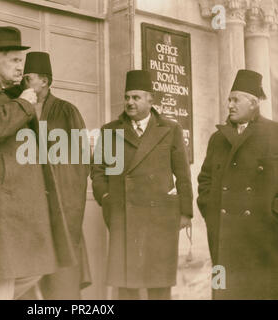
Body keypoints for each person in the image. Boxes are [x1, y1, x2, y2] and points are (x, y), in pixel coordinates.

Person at [0, 26, 75, 300]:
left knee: (33, 268)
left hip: (17, 210)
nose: (21, 67)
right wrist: (24, 103)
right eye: (15, 60)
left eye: (21, 61)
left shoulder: (5, 95)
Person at [91, 70, 193, 300]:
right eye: (127, 97)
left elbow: (182, 173)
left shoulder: (170, 128)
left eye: (136, 97)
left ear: (150, 99)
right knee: (126, 285)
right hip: (123, 215)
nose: (130, 102)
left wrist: (185, 212)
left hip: (160, 218)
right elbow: (98, 171)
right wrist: (106, 198)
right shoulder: (110, 130)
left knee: (159, 283)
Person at [197, 69, 278, 299]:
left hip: (264, 236)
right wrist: (211, 210)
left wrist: (273, 214)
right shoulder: (218, 138)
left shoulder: (275, 133)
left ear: (253, 103)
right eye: (229, 100)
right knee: (225, 291)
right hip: (223, 237)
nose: (229, 105)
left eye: (235, 100)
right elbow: (205, 179)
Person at [21, 51, 91, 299]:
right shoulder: (18, 109)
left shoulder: (66, 111)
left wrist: (69, 197)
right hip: (29, 204)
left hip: (61, 202)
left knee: (62, 277)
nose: (24, 83)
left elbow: (81, 159)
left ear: (45, 81)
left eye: (28, 78)